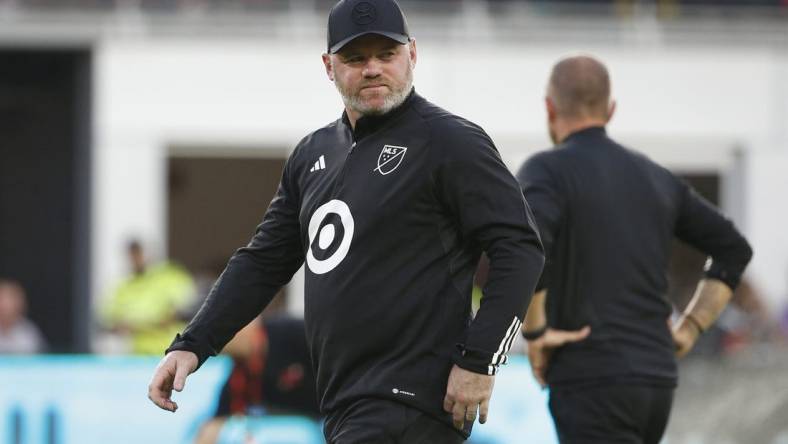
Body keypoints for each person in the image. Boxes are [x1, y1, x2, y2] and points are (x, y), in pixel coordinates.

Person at [148, 0, 545, 442]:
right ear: (328, 66)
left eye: (386, 55)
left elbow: (520, 248)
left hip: (411, 401)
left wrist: (479, 360)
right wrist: (193, 343)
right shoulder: (312, 154)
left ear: (412, 54)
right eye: (355, 58)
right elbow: (262, 262)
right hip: (341, 403)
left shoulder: (450, 141)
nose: (372, 68)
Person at [516, 55, 753, 444]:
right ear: (611, 110)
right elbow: (733, 249)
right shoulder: (656, 177)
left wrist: (536, 331)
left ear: (549, 108)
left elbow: (530, 246)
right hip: (656, 380)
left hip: (591, 375)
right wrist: (690, 328)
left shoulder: (546, 171)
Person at [194, 315, 320, 444]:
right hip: (326, 421)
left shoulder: (288, 332)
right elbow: (213, 426)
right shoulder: (240, 379)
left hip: (338, 402)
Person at [101, 239, 196, 354]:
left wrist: (137, 326)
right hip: (139, 356)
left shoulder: (171, 277)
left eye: (139, 254)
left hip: (171, 352)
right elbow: (110, 321)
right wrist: (151, 324)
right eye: (132, 255)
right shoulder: (123, 287)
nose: (136, 259)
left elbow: (183, 312)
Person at [0, 279, 46, 354]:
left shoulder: (28, 332)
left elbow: (40, 360)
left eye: (11, 300)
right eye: (2, 300)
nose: (5, 307)